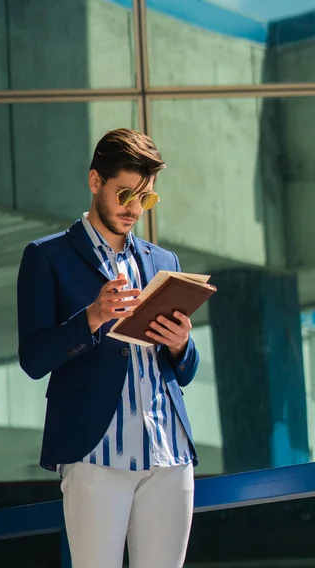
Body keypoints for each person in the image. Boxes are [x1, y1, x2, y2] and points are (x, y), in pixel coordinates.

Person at [17, 128, 200, 568]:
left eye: (146, 199)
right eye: (125, 194)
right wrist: (91, 318)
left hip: (169, 454)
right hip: (95, 455)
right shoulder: (47, 257)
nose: (134, 209)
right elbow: (34, 359)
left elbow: (181, 371)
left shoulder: (164, 262)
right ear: (95, 181)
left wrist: (181, 346)